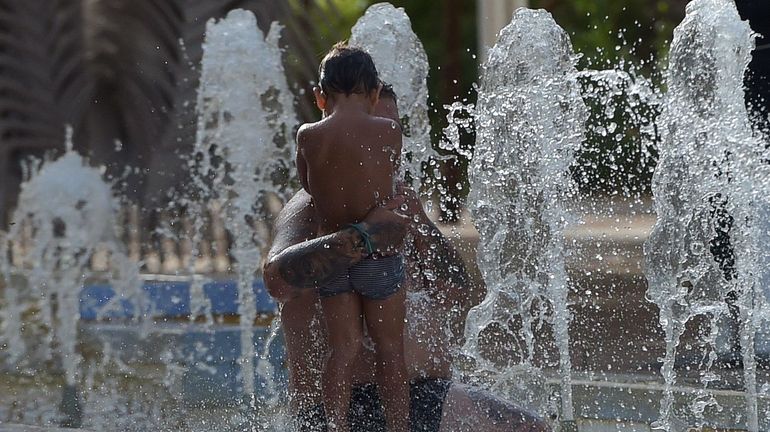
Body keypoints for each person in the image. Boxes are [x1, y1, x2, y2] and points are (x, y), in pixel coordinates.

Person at [264, 88, 551, 432]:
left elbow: (454, 293)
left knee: (530, 427)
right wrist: (363, 235)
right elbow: (277, 280)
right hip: (345, 405)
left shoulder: (399, 200)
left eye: (387, 131)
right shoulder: (310, 207)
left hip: (427, 396)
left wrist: (421, 229)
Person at [294, 42, 408, 432]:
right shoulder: (389, 131)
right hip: (379, 254)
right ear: (375, 93)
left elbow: (309, 187)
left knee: (342, 350)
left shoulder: (308, 136)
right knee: (390, 350)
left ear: (320, 97)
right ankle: (398, 427)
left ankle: (336, 425)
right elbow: (389, 182)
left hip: (335, 257)